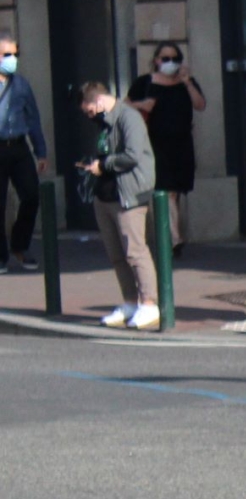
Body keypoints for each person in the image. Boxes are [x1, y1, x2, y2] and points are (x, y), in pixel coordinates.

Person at [76, 82, 158, 329]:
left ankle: (149, 304)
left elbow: (133, 154)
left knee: (135, 251)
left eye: (90, 111)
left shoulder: (128, 117)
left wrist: (105, 165)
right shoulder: (104, 123)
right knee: (117, 255)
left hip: (128, 194)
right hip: (105, 194)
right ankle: (130, 301)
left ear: (99, 102)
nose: (90, 116)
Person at [129, 42, 207, 254]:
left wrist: (188, 82)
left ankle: (169, 238)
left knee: (175, 193)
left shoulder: (186, 83)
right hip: (154, 143)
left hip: (181, 144)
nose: (170, 63)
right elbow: (123, 105)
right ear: (156, 60)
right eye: (165, 58)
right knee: (165, 191)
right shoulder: (144, 83)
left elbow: (200, 105)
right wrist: (141, 104)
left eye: (175, 59)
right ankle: (173, 238)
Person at [0, 35, 46, 272]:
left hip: (18, 146)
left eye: (15, 54)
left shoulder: (21, 84)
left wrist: (41, 151)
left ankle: (20, 245)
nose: (12, 59)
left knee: (31, 195)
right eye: (7, 54)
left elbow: (33, 118)